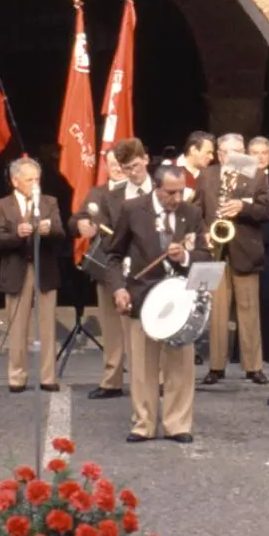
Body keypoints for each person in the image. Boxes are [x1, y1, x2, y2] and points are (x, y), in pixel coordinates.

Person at [104, 163, 200, 444]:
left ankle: (177, 424)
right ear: (157, 188)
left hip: (180, 299)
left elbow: (205, 250)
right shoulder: (132, 209)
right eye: (171, 192)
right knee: (143, 366)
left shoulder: (191, 212)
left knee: (180, 365)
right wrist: (119, 289)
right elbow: (113, 255)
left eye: (181, 192)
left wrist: (184, 257)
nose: (178, 199)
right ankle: (143, 423)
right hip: (143, 295)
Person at [73, 137, 155, 401]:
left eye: (131, 166)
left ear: (146, 159)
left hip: (154, 270)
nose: (125, 172)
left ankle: (158, 380)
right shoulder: (105, 194)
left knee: (153, 326)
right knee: (113, 328)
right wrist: (83, 225)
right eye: (119, 166)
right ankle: (112, 380)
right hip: (116, 268)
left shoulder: (163, 188)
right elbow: (78, 217)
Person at [201, 131, 269, 386]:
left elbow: (266, 210)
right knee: (217, 311)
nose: (239, 158)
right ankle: (216, 366)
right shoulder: (207, 175)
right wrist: (203, 233)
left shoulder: (257, 173)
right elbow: (197, 209)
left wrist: (244, 207)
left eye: (241, 153)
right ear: (220, 155)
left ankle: (253, 366)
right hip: (215, 249)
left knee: (249, 308)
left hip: (245, 247)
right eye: (232, 153)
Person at [0, 156, 65, 394]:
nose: (35, 184)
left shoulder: (49, 202)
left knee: (47, 326)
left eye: (37, 179)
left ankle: (48, 376)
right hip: (17, 268)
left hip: (44, 268)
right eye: (29, 179)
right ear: (15, 181)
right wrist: (17, 234)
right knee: (17, 326)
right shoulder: (1, 205)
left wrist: (49, 229)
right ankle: (17, 376)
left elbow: (61, 232)